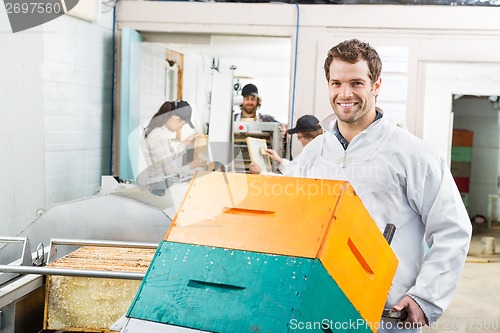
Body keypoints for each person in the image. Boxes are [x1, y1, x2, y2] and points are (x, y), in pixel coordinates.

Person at [297, 39, 472, 332]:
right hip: (320, 308)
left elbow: (453, 229)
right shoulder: (313, 154)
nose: (344, 93)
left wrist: (424, 298)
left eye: (356, 83)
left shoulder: (414, 154)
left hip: (389, 313)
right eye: (336, 82)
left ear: (376, 85)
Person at [137, 100, 204, 186]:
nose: (180, 128)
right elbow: (170, 172)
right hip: (152, 185)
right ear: (176, 119)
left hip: (152, 182)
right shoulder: (159, 136)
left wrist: (185, 143)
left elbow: (167, 158)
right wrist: (191, 166)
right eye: (182, 124)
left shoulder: (157, 131)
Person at [249, 115, 323, 176]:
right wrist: (279, 160)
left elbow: (287, 179)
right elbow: (294, 168)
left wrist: (261, 172)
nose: (299, 140)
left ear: (309, 136)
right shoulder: (316, 150)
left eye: (299, 137)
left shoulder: (312, 155)